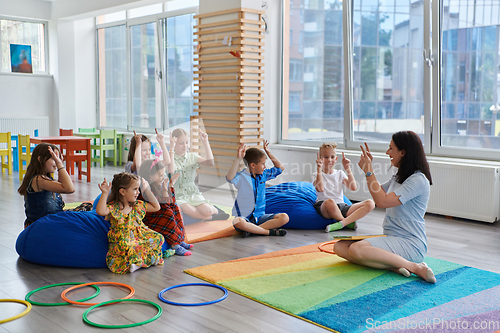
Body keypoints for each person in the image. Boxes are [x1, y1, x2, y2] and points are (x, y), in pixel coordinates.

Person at [334, 131, 437, 283]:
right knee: (339, 247)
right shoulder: (399, 176)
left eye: (391, 148)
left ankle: (415, 267)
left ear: (403, 152)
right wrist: (366, 171)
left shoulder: (418, 180)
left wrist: (369, 171)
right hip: (391, 237)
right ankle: (393, 265)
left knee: (356, 249)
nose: (387, 152)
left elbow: (382, 201)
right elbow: (378, 195)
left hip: (411, 243)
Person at [96, 172, 164, 274]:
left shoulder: (137, 205)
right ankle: (136, 263)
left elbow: (156, 207)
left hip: (140, 234)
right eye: (135, 189)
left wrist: (148, 191)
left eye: (138, 189)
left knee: (159, 237)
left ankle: (141, 262)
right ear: (123, 191)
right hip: (123, 238)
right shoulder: (114, 207)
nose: (138, 192)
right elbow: (100, 211)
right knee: (127, 246)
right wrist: (105, 193)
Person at [18, 143, 92, 229]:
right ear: (41, 159)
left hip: (51, 218)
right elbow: (69, 188)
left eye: (58, 159)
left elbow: (64, 186)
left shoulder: (44, 178)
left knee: (87, 207)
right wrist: (60, 165)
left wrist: (58, 162)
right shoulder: (39, 180)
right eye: (54, 159)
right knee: (84, 214)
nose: (57, 162)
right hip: (43, 224)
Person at [226, 141, 289, 237]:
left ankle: (251, 230)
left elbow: (280, 168)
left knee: (284, 217)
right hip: (244, 217)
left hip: (260, 217)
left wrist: (269, 152)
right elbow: (230, 178)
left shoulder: (263, 175)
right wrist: (239, 158)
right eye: (263, 164)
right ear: (253, 165)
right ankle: (267, 232)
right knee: (238, 222)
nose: (265, 167)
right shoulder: (242, 177)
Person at [312, 143, 375, 232]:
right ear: (320, 159)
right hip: (325, 206)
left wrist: (347, 168)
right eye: (326, 157)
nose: (329, 160)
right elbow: (320, 188)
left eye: (332, 157)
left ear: (336, 159)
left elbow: (353, 187)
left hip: (342, 206)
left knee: (370, 203)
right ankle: (345, 222)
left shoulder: (340, 173)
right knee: (330, 201)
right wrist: (319, 168)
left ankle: (342, 223)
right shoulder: (316, 175)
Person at [171, 128, 229, 220]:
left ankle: (214, 210)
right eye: (181, 143)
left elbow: (210, 163)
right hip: (178, 194)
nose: (185, 146)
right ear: (174, 143)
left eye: (186, 142)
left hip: (192, 193)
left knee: (207, 210)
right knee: (186, 209)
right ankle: (210, 218)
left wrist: (205, 142)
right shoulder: (170, 158)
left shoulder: (192, 156)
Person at [138, 159, 193, 256]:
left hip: (159, 214)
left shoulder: (157, 185)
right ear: (150, 177)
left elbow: (171, 203)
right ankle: (174, 244)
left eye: (163, 175)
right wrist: (165, 191)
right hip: (149, 219)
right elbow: (162, 206)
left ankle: (179, 240)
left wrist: (170, 186)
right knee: (168, 212)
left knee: (176, 207)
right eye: (160, 175)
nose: (162, 178)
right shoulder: (145, 189)